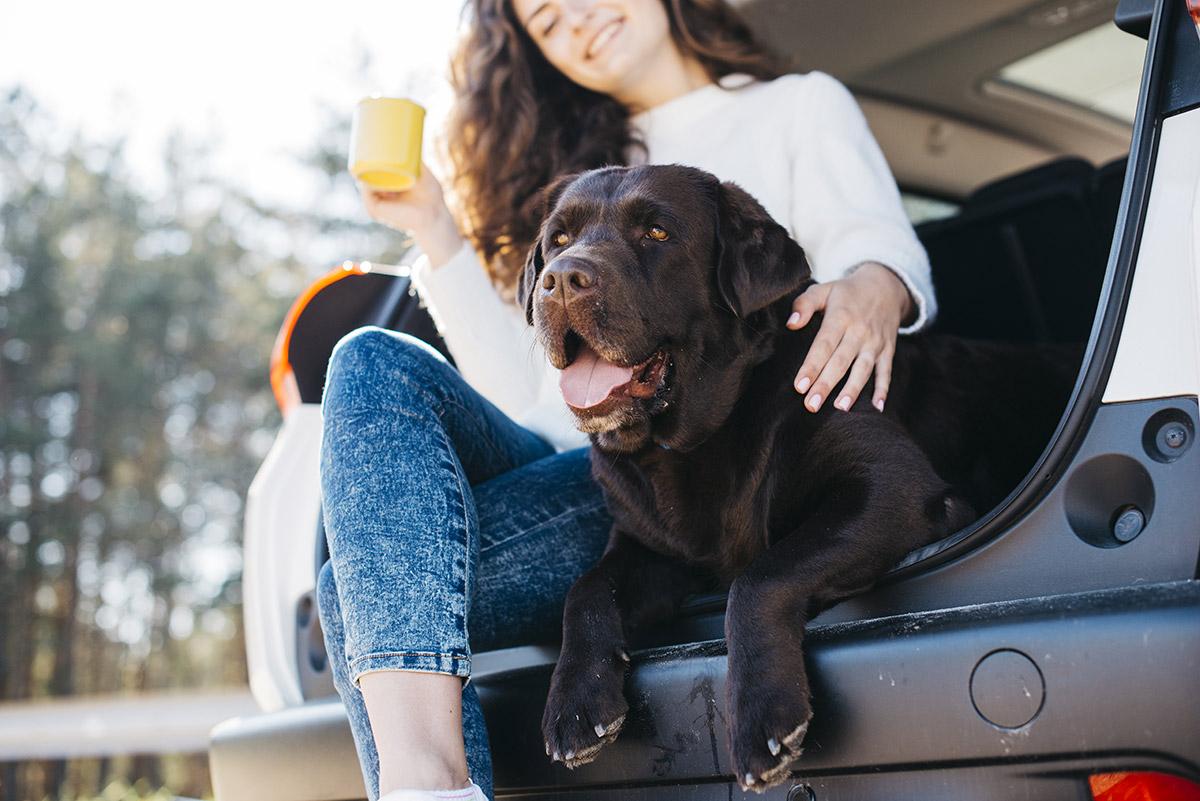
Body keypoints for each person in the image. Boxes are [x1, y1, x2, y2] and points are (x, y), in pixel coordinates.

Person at [316, 1, 938, 799]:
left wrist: (875, 286)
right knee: (367, 357)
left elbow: (872, 251)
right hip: (572, 451)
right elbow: (528, 391)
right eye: (545, 20)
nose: (575, 17)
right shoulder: (579, 182)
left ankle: (428, 785)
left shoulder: (794, 105)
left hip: (677, 464)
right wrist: (435, 226)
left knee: (353, 593)